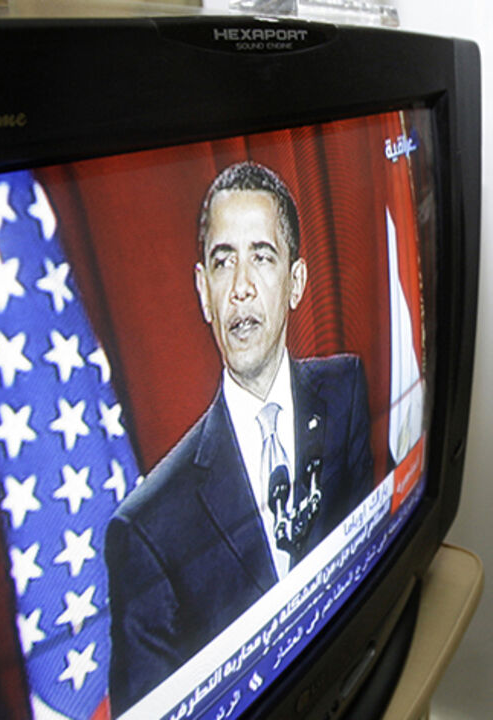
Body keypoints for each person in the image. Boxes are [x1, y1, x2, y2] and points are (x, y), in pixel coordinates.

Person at [105, 161, 375, 713]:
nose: (242, 289)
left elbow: (361, 561)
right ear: (204, 292)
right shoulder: (146, 529)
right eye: (223, 263)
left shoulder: (345, 390)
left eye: (262, 257)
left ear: (295, 283)